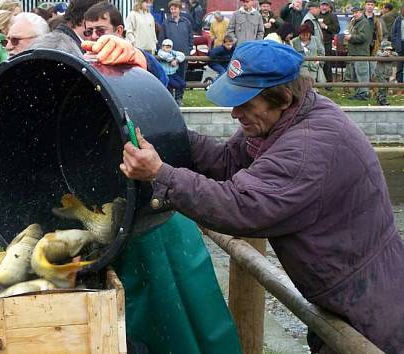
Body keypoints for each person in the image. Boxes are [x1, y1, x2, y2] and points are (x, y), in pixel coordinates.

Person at [0, 28, 242, 354]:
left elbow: (154, 100)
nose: (10, 46)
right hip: (96, 243)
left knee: (183, 328)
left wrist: (142, 60)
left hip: (156, 236)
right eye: (12, 43)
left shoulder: (98, 80)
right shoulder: (28, 96)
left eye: (17, 41)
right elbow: (6, 151)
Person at [119, 39, 404, 354]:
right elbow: (227, 162)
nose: (235, 113)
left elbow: (240, 207)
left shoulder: (306, 148)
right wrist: (168, 135)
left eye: (245, 104)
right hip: (340, 296)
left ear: (282, 97)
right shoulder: (283, 119)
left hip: (371, 311)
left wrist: (161, 174)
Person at [157, 0, 192, 106]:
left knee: (181, 77)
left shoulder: (186, 22)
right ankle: (170, 99)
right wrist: (167, 55)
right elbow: (161, 39)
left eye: (175, 8)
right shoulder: (166, 23)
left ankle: (179, 98)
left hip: (183, 56)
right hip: (169, 57)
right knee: (170, 78)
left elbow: (191, 36)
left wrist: (189, 49)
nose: (173, 11)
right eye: (171, 9)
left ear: (179, 9)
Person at [344, 3, 371, 100]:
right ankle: (358, 93)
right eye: (353, 12)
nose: (354, 14)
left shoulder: (364, 23)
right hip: (355, 53)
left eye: (356, 12)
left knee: (362, 73)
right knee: (355, 74)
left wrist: (351, 37)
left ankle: (363, 94)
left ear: (361, 12)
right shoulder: (356, 22)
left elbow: (364, 37)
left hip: (361, 53)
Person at [317, 0, 339, 87]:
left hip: (327, 43)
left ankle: (328, 84)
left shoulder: (332, 16)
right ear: (320, 6)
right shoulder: (315, 15)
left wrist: (325, 26)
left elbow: (337, 29)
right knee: (314, 62)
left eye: (326, 5)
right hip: (316, 42)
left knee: (327, 63)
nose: (324, 7)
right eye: (322, 5)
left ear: (328, 7)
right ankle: (316, 83)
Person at [373, 40, 397, 105]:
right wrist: (383, 55)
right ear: (383, 49)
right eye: (387, 49)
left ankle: (379, 98)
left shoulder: (392, 54)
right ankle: (382, 100)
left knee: (385, 87)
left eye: (389, 49)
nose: (388, 51)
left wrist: (390, 54)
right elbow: (378, 56)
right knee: (383, 86)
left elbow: (396, 55)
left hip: (387, 74)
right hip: (380, 74)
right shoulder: (379, 53)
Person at [392, 6, 404, 84]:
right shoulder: (398, 19)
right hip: (400, 44)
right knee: (399, 65)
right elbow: (393, 33)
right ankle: (399, 84)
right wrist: (395, 44)